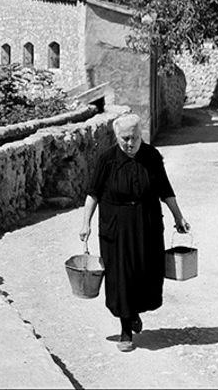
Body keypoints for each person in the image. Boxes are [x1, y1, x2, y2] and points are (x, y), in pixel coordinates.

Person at [79, 114, 190, 352]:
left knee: (145, 272)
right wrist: (85, 223)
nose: (130, 143)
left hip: (147, 225)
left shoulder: (151, 156)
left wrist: (178, 216)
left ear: (142, 134)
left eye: (135, 138)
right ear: (116, 136)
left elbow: (165, 189)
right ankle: (125, 329)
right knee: (120, 276)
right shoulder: (107, 159)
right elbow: (93, 193)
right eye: (125, 138)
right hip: (116, 228)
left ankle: (134, 312)